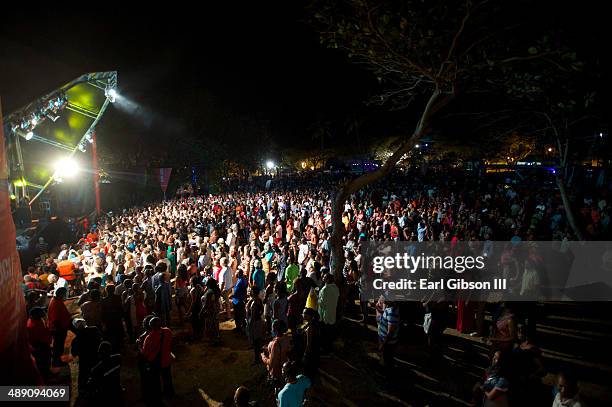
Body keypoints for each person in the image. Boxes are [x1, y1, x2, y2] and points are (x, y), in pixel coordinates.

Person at [141, 316, 175, 399]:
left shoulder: (149, 338)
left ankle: (158, 395)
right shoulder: (168, 331)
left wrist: (139, 345)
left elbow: (144, 353)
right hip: (167, 360)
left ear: (150, 326)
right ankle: (170, 393)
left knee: (156, 380)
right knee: (167, 378)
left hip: (156, 363)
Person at [71, 319, 103, 396]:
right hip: (97, 357)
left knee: (83, 376)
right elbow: (101, 339)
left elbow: (74, 354)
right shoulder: (94, 329)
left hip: (85, 362)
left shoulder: (76, 340)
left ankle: (83, 390)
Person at [261, 319, 291, 384]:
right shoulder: (287, 338)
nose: (271, 330)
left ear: (276, 330)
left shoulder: (275, 344)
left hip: (276, 372)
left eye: (272, 328)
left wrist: (263, 357)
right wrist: (268, 348)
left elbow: (272, 363)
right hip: (284, 368)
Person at [48, 287, 71, 366]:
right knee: (58, 346)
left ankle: (57, 360)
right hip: (58, 329)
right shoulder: (56, 303)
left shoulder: (56, 300)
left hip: (60, 327)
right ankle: (56, 362)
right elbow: (55, 320)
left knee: (58, 345)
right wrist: (60, 329)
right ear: (62, 294)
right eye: (65, 294)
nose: (66, 295)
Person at [26, 307, 52, 379]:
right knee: (44, 363)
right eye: (42, 313)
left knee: (43, 362)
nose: (44, 313)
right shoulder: (35, 324)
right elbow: (42, 335)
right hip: (41, 346)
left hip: (40, 345)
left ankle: (46, 374)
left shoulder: (33, 320)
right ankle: (46, 377)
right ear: (37, 315)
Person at [378, 299, 400, 382]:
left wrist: (383, 344)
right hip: (387, 341)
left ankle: (389, 379)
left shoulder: (392, 312)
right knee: (388, 359)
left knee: (388, 360)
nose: (383, 300)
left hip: (388, 343)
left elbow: (390, 332)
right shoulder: (389, 308)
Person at [318, 273, 339, 352]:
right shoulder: (336, 288)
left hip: (325, 315)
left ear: (328, 280)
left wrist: (317, 298)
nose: (323, 278)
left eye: (324, 277)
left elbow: (322, 304)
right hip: (332, 312)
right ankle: (329, 348)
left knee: (324, 334)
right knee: (330, 333)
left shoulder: (325, 289)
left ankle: (325, 349)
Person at [246, 286, 265, 364]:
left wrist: (250, 326)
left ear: (253, 292)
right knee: (258, 340)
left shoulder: (254, 303)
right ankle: (258, 356)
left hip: (254, 323)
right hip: (258, 322)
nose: (250, 292)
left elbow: (253, 316)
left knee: (255, 342)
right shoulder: (258, 300)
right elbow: (262, 310)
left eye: (251, 291)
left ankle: (257, 359)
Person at [301, 307, 320, 380]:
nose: (303, 315)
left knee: (308, 369)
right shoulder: (313, 323)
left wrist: (305, 355)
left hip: (311, 351)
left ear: (309, 316)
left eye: (304, 313)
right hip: (316, 349)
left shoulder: (310, 328)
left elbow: (309, 343)